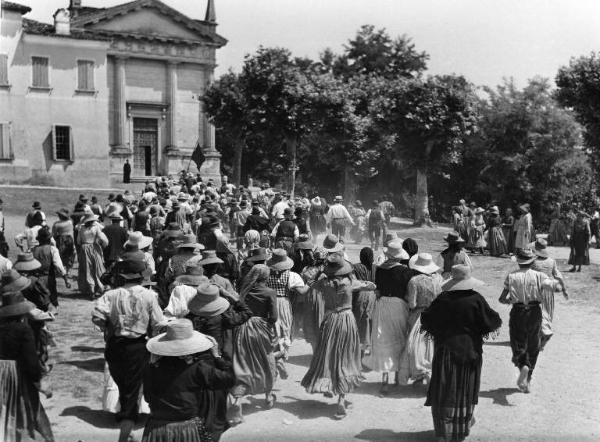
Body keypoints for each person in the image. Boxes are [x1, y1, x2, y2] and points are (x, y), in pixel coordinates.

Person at [421, 265, 501, 442]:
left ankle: (444, 431)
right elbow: (492, 321)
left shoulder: (443, 299)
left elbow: (426, 318)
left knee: (444, 387)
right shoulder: (476, 299)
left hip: (445, 351)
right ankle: (461, 426)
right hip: (469, 351)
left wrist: (443, 331)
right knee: (465, 387)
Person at [92, 259, 166, 442]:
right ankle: (126, 429)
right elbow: (158, 323)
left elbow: (97, 318)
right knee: (132, 389)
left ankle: (127, 425)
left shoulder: (110, 295)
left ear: (123, 276)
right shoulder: (150, 296)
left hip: (114, 346)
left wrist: (109, 327)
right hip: (138, 346)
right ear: (142, 276)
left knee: (124, 386)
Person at [143, 319, 234, 442]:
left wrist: (151, 365)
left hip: (157, 430)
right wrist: (217, 356)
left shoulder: (151, 369)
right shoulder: (198, 368)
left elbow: (148, 398)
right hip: (187, 430)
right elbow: (229, 379)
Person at [301, 254, 366, 419]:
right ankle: (342, 400)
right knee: (346, 357)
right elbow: (371, 286)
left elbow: (309, 283)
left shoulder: (323, 284)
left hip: (330, 320)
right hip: (347, 320)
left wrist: (319, 273)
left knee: (328, 355)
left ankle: (328, 385)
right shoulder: (351, 283)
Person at [0, 292, 55, 442]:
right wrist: (39, 381)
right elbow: (30, 361)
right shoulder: (23, 330)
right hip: (15, 375)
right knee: (26, 411)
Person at [363, 239, 413, 395]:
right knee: (400, 339)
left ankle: (385, 381)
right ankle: (398, 376)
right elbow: (407, 292)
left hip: (383, 305)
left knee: (383, 339)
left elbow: (378, 289)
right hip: (399, 306)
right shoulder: (406, 271)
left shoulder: (380, 269)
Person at [230, 265, 278, 424]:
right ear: (266, 277)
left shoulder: (244, 291)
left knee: (243, 364)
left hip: (242, 328)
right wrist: (267, 325)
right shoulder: (269, 293)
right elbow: (274, 317)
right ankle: (268, 396)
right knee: (267, 361)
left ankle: (237, 400)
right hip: (260, 329)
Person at [499, 249, 552, 393]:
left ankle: (523, 365)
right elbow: (551, 288)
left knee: (517, 341)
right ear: (532, 261)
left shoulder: (511, 276)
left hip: (518, 311)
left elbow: (502, 298)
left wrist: (510, 300)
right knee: (533, 343)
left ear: (519, 261)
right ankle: (528, 378)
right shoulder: (540, 276)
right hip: (535, 312)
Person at [398, 253, 442, 385]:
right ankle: (431, 374)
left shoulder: (414, 281)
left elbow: (412, 304)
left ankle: (421, 373)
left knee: (416, 346)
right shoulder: (438, 279)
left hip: (419, 316)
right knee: (432, 346)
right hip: (435, 314)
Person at [266, 249, 308, 379]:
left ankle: (274, 361)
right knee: (285, 331)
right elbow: (302, 291)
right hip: (284, 303)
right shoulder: (291, 276)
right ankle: (282, 358)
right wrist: (310, 284)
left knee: (272, 332)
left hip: (269, 303)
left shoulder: (266, 273)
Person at [530, 238, 569, 350]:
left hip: (536, 290)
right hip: (548, 291)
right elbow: (558, 276)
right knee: (547, 311)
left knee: (537, 313)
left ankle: (540, 335)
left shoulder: (532, 262)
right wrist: (564, 290)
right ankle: (542, 334)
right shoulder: (551, 261)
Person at [32, 227, 66, 311]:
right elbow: (58, 265)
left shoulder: (33, 250)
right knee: (51, 294)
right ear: (49, 239)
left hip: (35, 278)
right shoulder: (52, 249)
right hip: (48, 277)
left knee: (39, 297)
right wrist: (65, 277)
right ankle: (53, 311)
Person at [352, 247, 377, 358]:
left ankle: (359, 353)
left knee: (359, 322)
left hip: (359, 296)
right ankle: (370, 350)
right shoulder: (376, 268)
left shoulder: (355, 267)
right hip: (373, 296)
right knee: (370, 322)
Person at [76, 213, 108, 299]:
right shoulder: (96, 228)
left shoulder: (81, 228)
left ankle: (91, 290)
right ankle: (99, 288)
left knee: (87, 269)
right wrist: (104, 245)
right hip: (94, 248)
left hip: (84, 249)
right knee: (98, 268)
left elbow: (78, 241)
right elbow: (103, 238)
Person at [52, 208, 75, 285]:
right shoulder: (70, 222)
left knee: (60, 255)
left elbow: (54, 234)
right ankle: (68, 271)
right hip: (70, 239)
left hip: (61, 240)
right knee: (69, 255)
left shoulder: (56, 224)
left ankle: (61, 271)